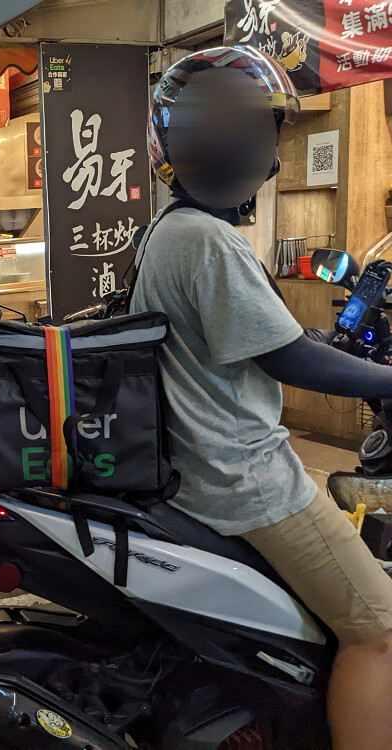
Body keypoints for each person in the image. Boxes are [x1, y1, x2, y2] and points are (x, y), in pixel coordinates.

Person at [134, 46, 392, 749]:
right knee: (381, 630)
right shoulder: (209, 241)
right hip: (244, 478)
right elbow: (284, 356)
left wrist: (330, 350)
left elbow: (262, 339)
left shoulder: (167, 231)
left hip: (202, 469)